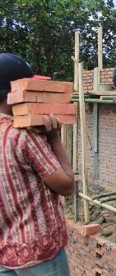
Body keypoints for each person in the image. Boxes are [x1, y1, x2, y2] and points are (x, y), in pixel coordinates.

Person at [0, 53, 75, 274]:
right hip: (39, 255)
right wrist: (54, 138)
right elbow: (67, 185)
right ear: (16, 93)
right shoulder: (22, 136)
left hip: (4, 252)